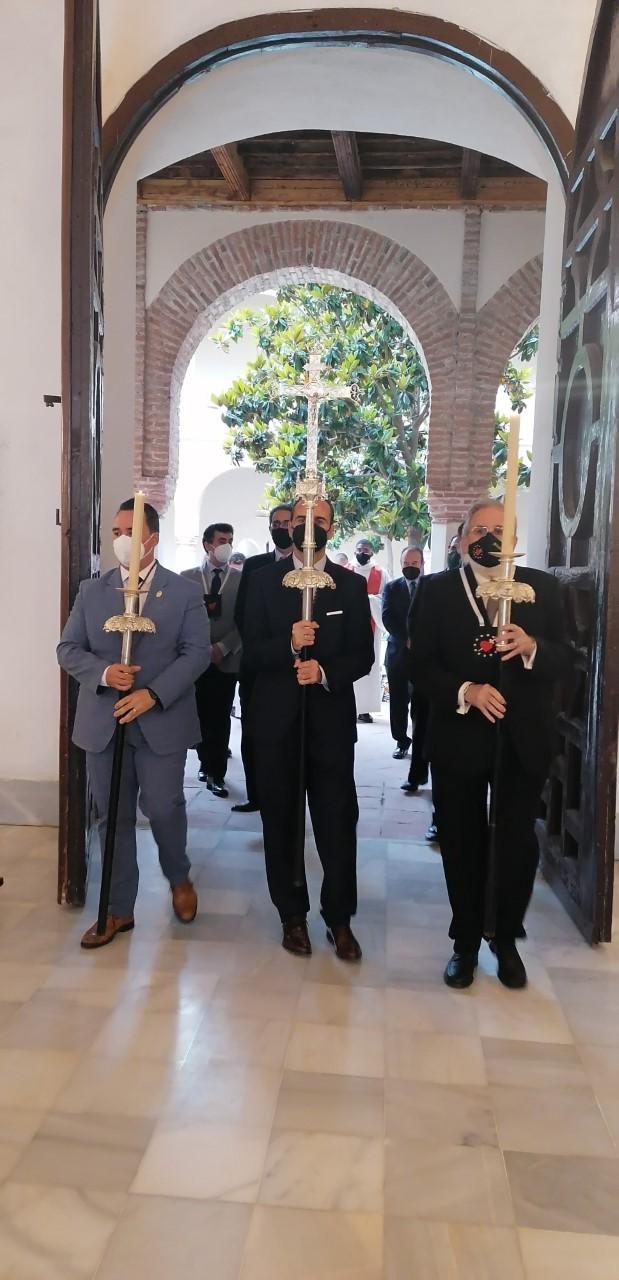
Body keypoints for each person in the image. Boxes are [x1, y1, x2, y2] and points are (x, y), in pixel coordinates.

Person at [410, 496, 571, 991]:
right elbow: (420, 666)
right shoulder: (436, 592)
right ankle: (464, 940)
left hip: (522, 738)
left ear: (515, 540)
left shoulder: (541, 589)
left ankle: (504, 939)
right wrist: (467, 691)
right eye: (478, 529)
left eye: (500, 529)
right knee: (461, 839)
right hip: (459, 737)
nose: (488, 538)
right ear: (460, 541)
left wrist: (532, 648)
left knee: (516, 841)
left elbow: (567, 658)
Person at [57, 498, 210, 949]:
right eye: (116, 531)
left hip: (160, 719)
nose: (122, 540)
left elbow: (197, 653)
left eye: (130, 531)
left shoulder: (182, 592)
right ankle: (117, 908)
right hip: (104, 722)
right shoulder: (93, 591)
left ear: (152, 539)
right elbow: (68, 648)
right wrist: (104, 674)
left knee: (163, 807)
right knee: (112, 817)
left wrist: (152, 693)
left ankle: (178, 876)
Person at [243, 496, 374, 961]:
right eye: (302, 520)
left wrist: (322, 671)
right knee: (281, 821)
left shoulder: (350, 586)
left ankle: (339, 918)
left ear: (333, 526)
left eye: (320, 520)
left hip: (330, 725)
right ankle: (291, 915)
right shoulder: (259, 582)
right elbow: (247, 652)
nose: (310, 527)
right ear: (289, 525)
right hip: (275, 723)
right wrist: (287, 645)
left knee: (338, 821)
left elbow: (363, 655)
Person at [233, 503, 294, 813]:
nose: (280, 528)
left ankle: (287, 794)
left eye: (286, 522)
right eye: (275, 523)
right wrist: (261, 649)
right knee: (253, 731)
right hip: (257, 664)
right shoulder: (255, 566)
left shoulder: (306, 567)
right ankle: (256, 793)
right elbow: (242, 613)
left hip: (294, 668)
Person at [182, 522, 242, 798]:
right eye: (221, 540)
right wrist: (199, 648)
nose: (226, 545)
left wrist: (223, 647)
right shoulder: (187, 579)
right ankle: (204, 764)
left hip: (225, 660)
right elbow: (180, 620)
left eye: (229, 540)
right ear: (208, 544)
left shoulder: (241, 580)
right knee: (197, 713)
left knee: (220, 715)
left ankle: (217, 771)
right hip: (195, 660)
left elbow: (246, 621)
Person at [382, 547, 425, 760]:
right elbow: (387, 617)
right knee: (398, 701)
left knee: (421, 700)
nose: (410, 567)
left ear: (422, 563)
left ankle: (421, 741)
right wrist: (405, 638)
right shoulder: (391, 588)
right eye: (406, 564)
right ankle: (401, 740)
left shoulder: (430, 587)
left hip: (423, 655)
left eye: (414, 564)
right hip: (398, 653)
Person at [352, 537, 388, 723]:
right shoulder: (346, 570)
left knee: (369, 667)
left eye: (365, 550)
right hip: (348, 628)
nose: (362, 553)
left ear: (372, 552)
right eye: (359, 549)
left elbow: (386, 597)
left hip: (371, 626)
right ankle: (351, 706)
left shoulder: (381, 573)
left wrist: (369, 600)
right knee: (350, 665)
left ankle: (365, 709)